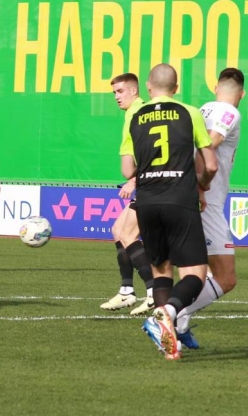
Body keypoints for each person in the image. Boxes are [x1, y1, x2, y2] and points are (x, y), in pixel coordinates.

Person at [119, 63, 218, 360]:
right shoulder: (190, 112)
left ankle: (168, 345)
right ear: (176, 88)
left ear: (148, 87)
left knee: (162, 271)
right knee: (196, 274)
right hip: (180, 199)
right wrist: (202, 185)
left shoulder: (135, 115)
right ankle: (168, 313)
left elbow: (127, 169)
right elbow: (211, 165)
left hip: (147, 202)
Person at [174, 68, 245, 349]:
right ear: (242, 94)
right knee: (226, 278)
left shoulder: (204, 108)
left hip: (188, 195)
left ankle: (179, 324)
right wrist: (200, 186)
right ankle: (170, 314)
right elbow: (211, 142)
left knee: (196, 271)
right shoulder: (230, 112)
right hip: (207, 201)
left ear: (216, 87)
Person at [100, 73, 154, 316]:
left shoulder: (139, 113)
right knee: (117, 230)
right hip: (148, 183)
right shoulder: (135, 112)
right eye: (114, 92)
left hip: (151, 184)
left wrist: (134, 180)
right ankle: (126, 291)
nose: (116, 96)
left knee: (127, 234)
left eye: (120, 91)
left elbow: (153, 154)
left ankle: (153, 292)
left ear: (134, 90)